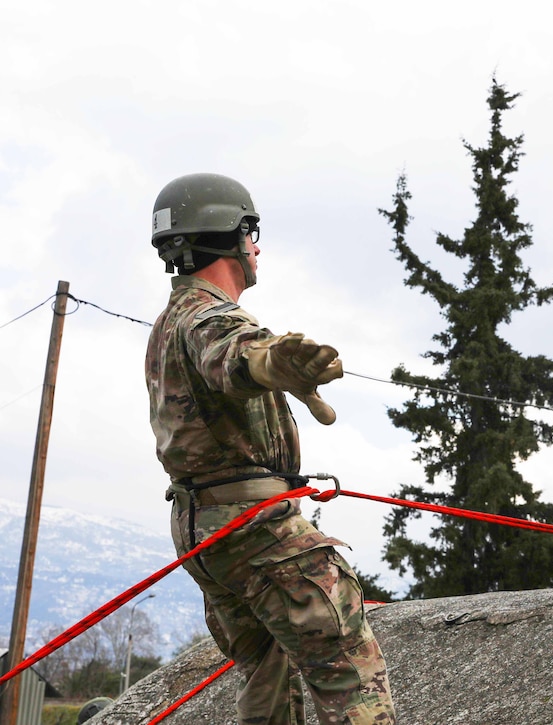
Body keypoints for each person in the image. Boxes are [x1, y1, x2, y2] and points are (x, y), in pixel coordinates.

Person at [145, 173, 396, 723]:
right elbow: (235, 354)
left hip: (205, 530)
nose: (257, 248)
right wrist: (271, 361)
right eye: (251, 233)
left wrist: (270, 365)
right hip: (256, 527)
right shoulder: (208, 314)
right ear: (230, 236)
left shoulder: (170, 319)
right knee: (352, 677)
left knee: (270, 673)